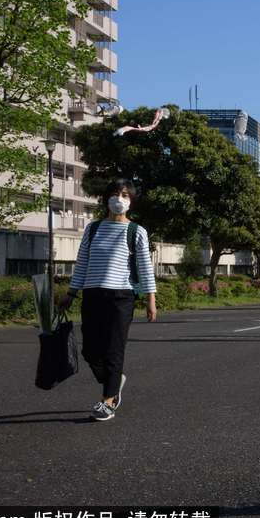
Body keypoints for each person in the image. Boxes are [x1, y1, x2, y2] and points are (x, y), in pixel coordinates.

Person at [59, 179, 157, 422]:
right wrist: (71, 293)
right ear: (106, 199)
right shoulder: (92, 229)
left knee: (114, 349)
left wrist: (150, 299)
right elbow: (82, 264)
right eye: (115, 193)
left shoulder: (137, 232)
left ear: (131, 201)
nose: (119, 198)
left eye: (125, 194)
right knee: (90, 351)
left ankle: (108, 401)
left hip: (120, 297)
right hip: (92, 295)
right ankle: (115, 381)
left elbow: (145, 268)